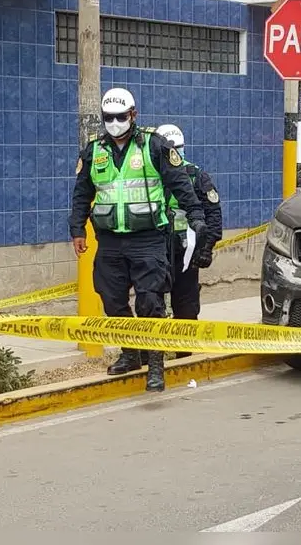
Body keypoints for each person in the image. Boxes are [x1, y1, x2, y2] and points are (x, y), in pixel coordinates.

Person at [69, 88, 207, 392]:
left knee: (150, 302)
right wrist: (77, 228)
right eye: (109, 118)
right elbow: (82, 192)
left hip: (148, 239)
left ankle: (155, 365)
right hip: (109, 242)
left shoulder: (154, 146)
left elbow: (181, 184)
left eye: (121, 117)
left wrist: (196, 215)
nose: (115, 122)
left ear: (134, 115)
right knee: (111, 300)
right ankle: (130, 354)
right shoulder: (94, 151)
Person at [156, 124, 223, 360]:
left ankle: (184, 354)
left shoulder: (196, 176)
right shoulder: (152, 176)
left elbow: (213, 214)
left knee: (186, 306)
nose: (175, 154)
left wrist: (207, 248)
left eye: (179, 148)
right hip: (155, 249)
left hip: (187, 251)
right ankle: (152, 354)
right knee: (151, 303)